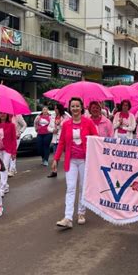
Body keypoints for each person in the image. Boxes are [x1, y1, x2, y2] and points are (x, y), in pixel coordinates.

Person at [53, 97, 98, 228]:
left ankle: (81, 213)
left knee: (83, 187)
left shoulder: (88, 122)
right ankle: (68, 218)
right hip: (70, 160)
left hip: (85, 160)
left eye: (77, 106)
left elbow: (96, 139)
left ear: (81, 107)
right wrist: (55, 159)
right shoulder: (66, 124)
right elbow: (61, 142)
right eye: (73, 106)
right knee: (71, 188)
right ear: (69, 108)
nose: (75, 109)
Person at [0, 112, 17, 196]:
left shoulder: (11, 125)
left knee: (4, 167)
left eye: (4, 113)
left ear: (7, 115)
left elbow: (13, 139)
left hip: (8, 149)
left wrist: (14, 152)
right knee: (0, 168)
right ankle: (6, 186)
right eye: (0, 113)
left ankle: (2, 188)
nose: (2, 115)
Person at [47, 104, 70, 178]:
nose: (55, 110)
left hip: (64, 139)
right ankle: (54, 171)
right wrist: (52, 130)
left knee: (68, 155)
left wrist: (60, 125)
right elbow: (48, 127)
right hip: (56, 139)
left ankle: (69, 170)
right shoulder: (53, 116)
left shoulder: (66, 116)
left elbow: (69, 125)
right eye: (54, 109)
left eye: (56, 109)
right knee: (55, 156)